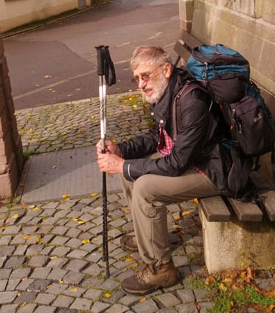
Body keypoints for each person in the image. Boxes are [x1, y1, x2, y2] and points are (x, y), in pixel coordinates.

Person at [96, 45, 234, 296]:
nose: (140, 84)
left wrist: (123, 165)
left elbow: (177, 163)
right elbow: (155, 135)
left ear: (166, 70)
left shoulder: (192, 100)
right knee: (130, 174)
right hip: (190, 159)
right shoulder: (167, 92)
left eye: (145, 76)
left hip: (212, 170)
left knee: (144, 188)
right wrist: (121, 150)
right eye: (136, 78)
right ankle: (145, 236)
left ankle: (161, 268)